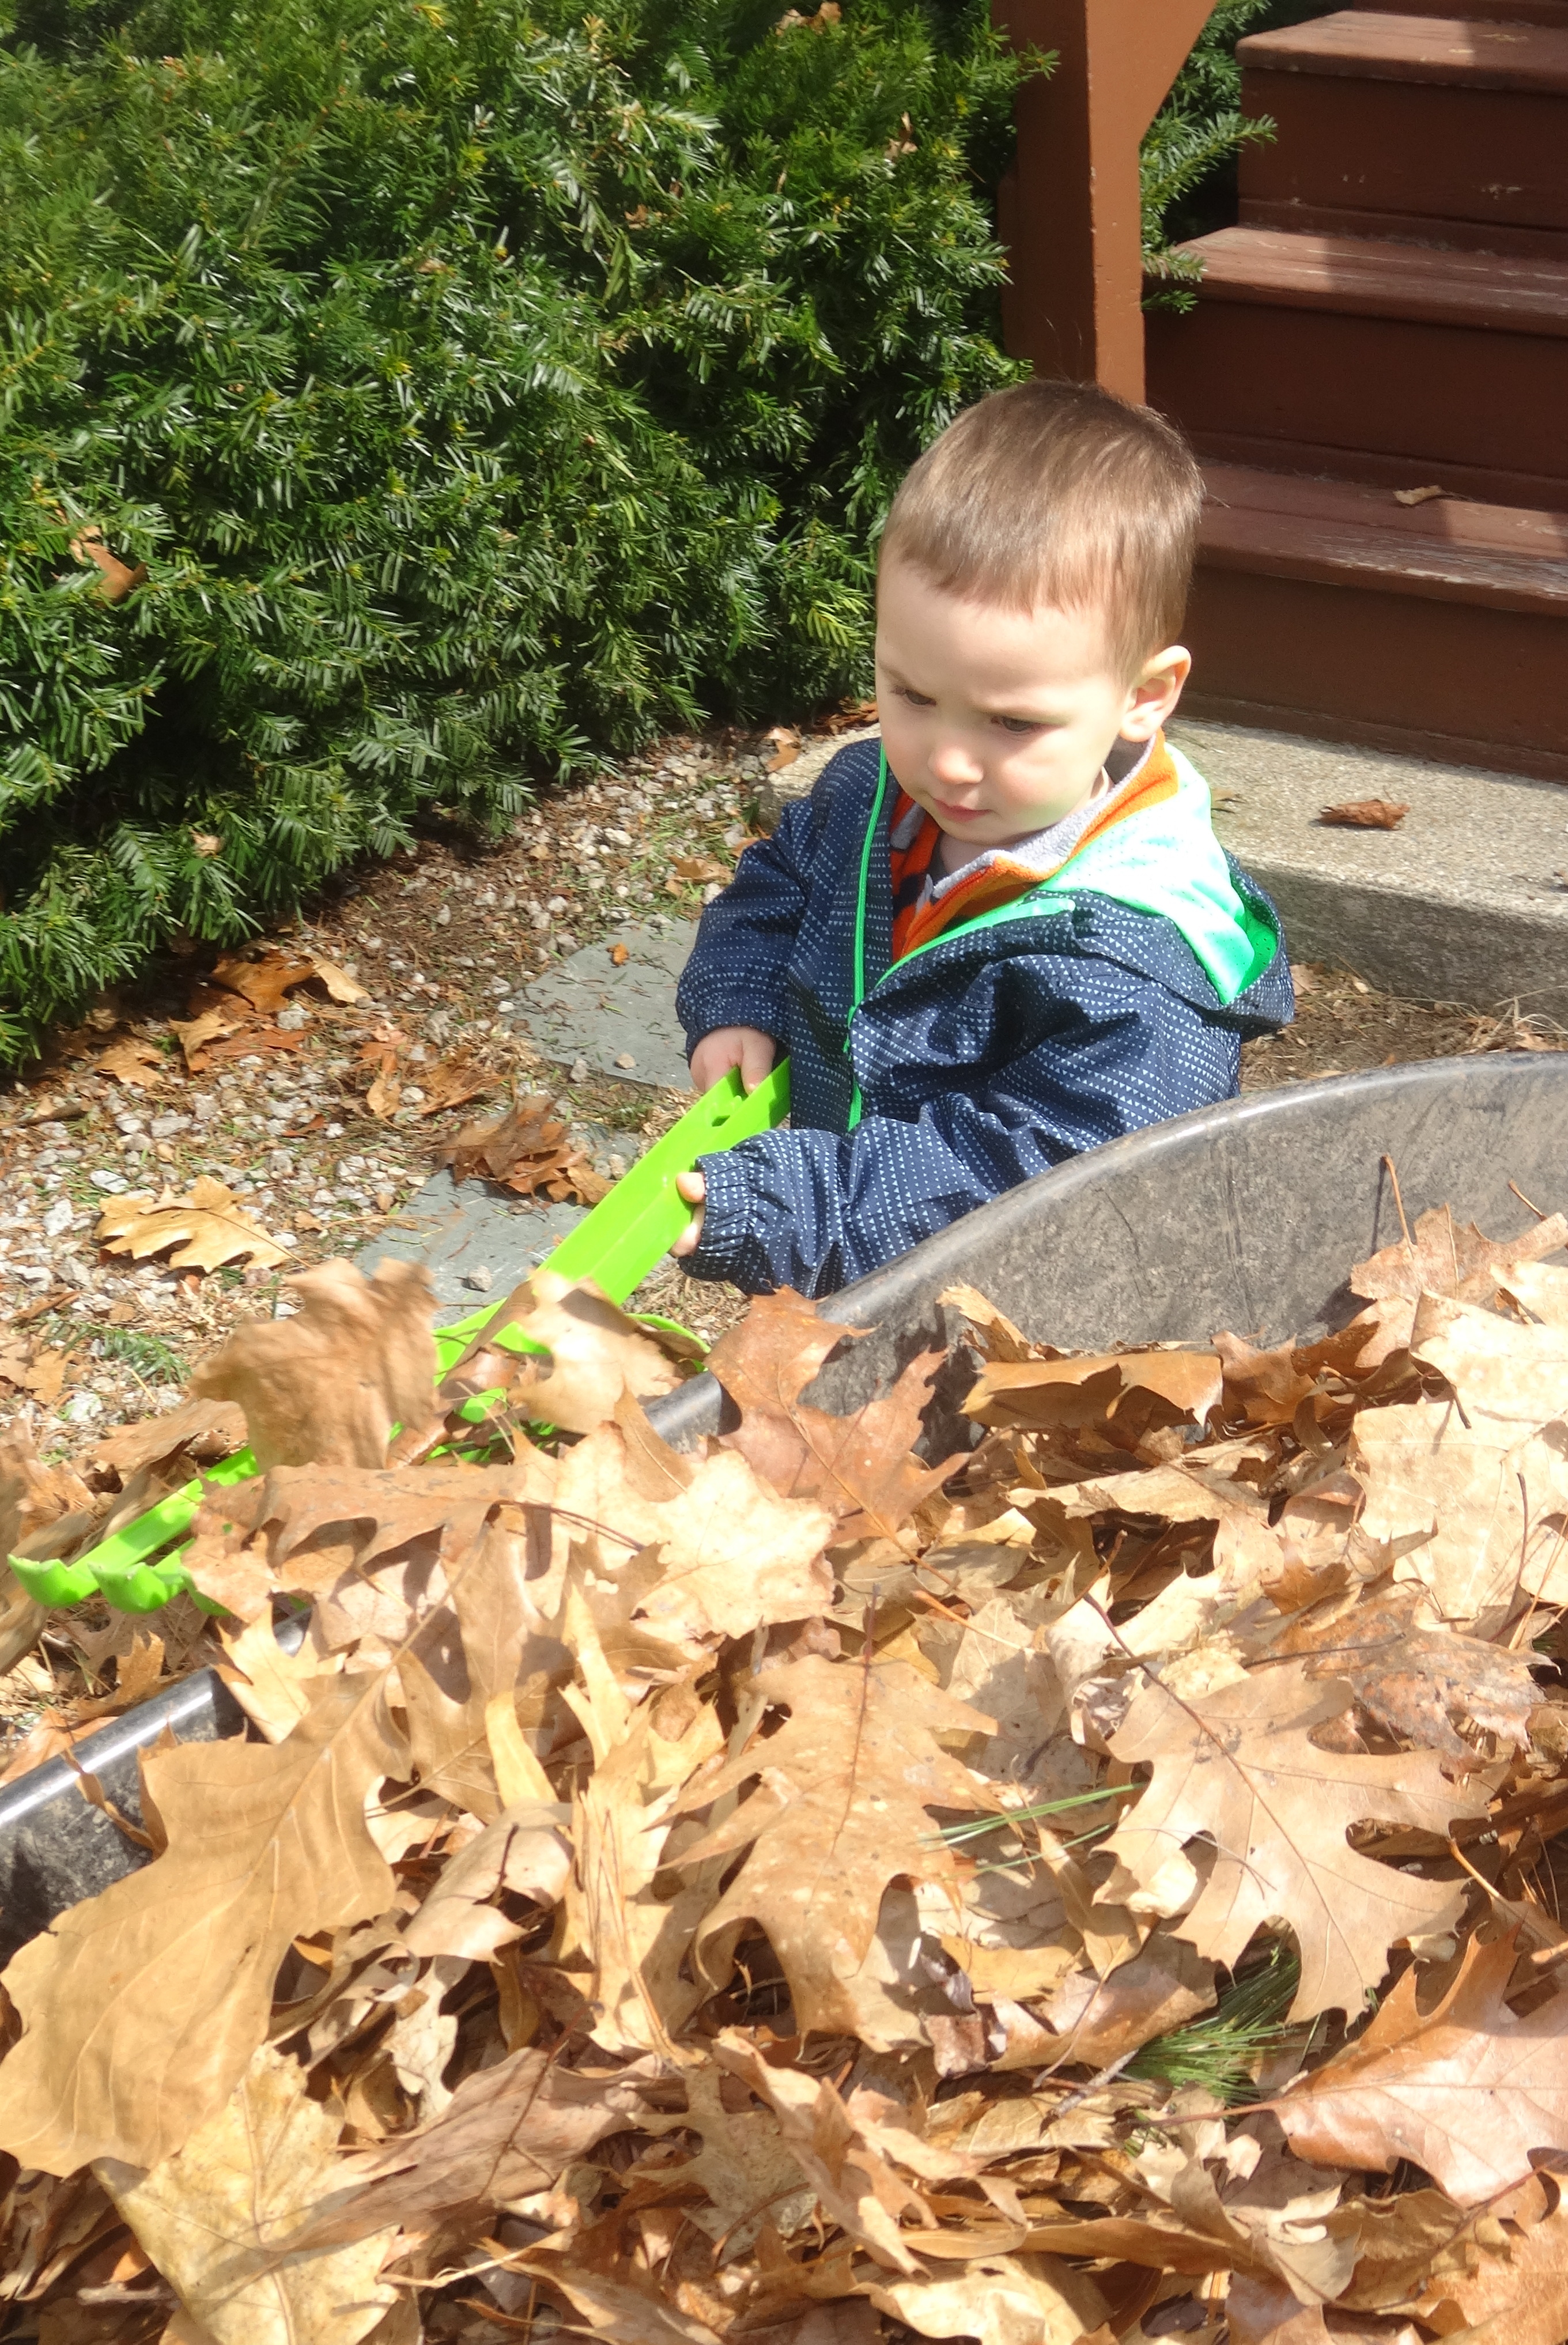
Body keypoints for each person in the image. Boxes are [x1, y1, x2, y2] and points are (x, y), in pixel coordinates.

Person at [670, 377, 1293, 1297]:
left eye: (1011, 722)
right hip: (857, 1275)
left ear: (1143, 696)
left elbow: (1039, 1185)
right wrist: (740, 999)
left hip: (1014, 1329)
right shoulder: (870, 794)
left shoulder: (1133, 970)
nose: (949, 762)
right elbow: (782, 883)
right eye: (913, 695)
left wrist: (800, 1206)